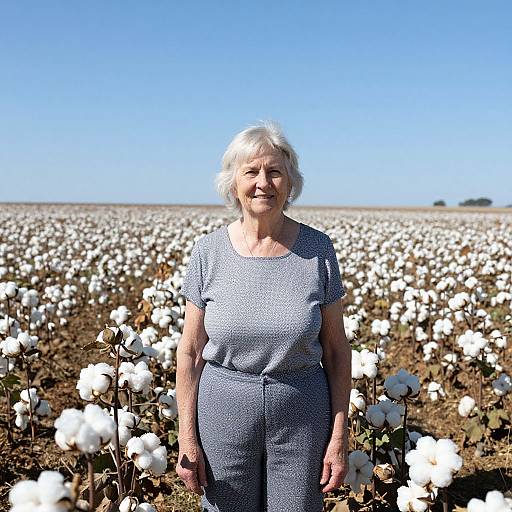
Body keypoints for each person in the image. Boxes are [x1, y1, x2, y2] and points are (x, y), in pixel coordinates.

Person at [175, 121, 351, 512]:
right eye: (251, 172)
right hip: (223, 411)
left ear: (290, 182)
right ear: (233, 183)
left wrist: (339, 437)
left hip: (302, 413)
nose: (263, 183)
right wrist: (187, 438)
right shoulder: (208, 252)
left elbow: (337, 351)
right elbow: (189, 352)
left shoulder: (318, 250)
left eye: (275, 171)